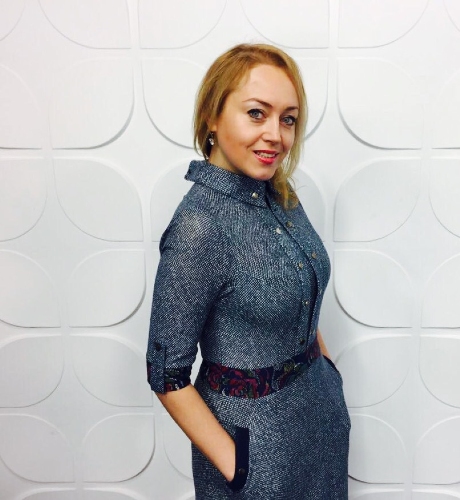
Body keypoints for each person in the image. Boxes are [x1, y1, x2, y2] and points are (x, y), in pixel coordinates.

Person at [146, 43, 350, 499]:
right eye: (257, 113)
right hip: (256, 454)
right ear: (212, 118)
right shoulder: (199, 226)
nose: (275, 134)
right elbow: (166, 374)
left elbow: (303, 291)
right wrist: (239, 467)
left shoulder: (280, 194)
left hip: (322, 425)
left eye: (288, 119)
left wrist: (328, 374)